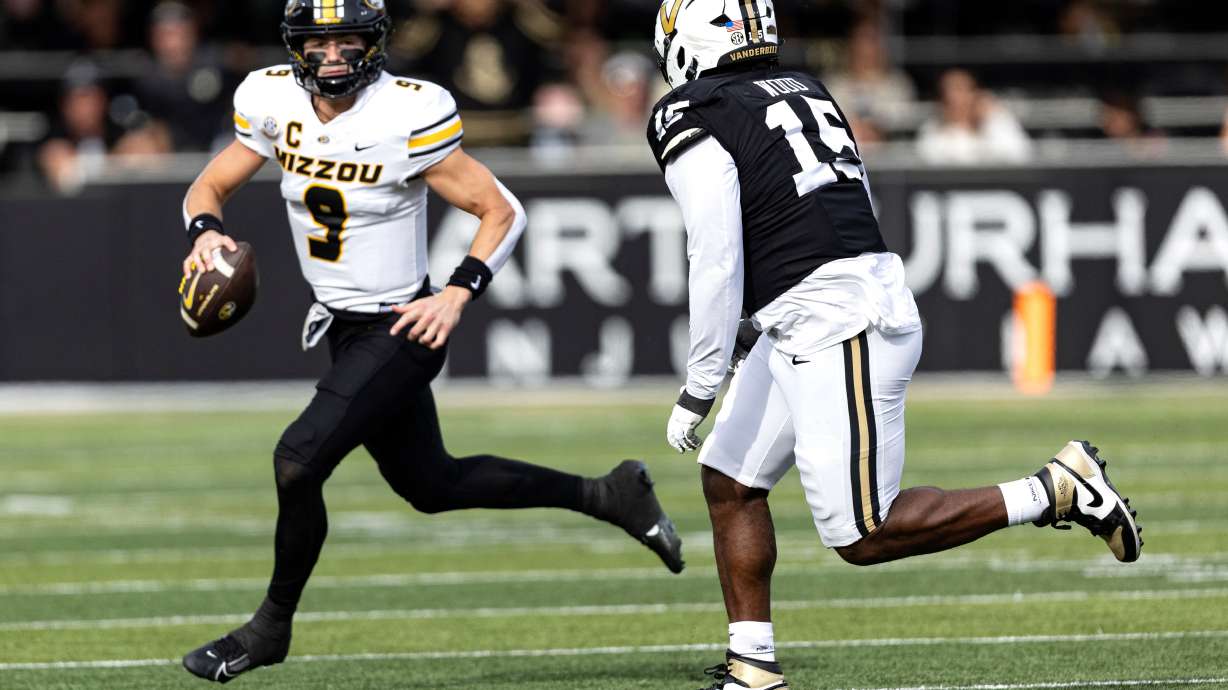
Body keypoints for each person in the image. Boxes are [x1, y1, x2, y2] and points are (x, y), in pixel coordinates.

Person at [178, 1, 684, 683]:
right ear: (297, 47)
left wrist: (457, 292)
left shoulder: (405, 112)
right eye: (319, 42)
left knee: (297, 461)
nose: (333, 55)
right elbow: (209, 184)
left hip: (403, 324)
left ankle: (269, 627)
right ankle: (610, 494)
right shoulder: (271, 99)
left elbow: (501, 210)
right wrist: (205, 229)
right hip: (343, 324)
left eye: (348, 40)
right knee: (431, 483)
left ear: (374, 43)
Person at [646, 2, 1143, 688]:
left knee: (862, 532)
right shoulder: (806, 88)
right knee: (731, 479)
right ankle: (752, 663)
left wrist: (701, 381)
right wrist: (759, 318)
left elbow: (715, 252)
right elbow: (837, 203)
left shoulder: (687, 110)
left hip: (835, 319)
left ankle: (1055, 490)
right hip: (825, 301)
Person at [915, 68, 1032, 165]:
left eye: (962, 89)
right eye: (949, 91)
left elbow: (1021, 153)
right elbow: (929, 159)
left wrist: (988, 125)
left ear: (975, 93)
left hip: (999, 188)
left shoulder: (997, 119)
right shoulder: (933, 127)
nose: (956, 98)